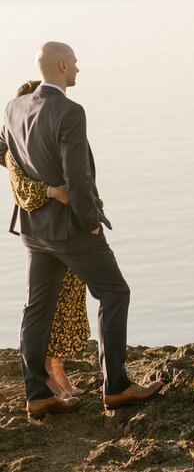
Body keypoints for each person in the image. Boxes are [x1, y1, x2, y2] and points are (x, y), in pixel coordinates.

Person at [1, 42, 163, 418]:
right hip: (71, 230)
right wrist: (90, 223)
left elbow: (5, 152)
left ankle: (37, 394)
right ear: (61, 65)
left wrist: (36, 188)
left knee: (36, 308)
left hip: (32, 228)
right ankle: (117, 386)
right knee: (114, 293)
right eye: (74, 63)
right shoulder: (70, 111)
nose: (78, 68)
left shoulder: (14, 107)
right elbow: (78, 175)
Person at [3, 80, 90, 400]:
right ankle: (48, 377)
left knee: (65, 303)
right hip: (46, 231)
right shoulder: (17, 145)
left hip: (65, 227)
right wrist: (51, 190)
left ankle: (56, 369)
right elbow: (21, 182)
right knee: (44, 307)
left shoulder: (43, 139)